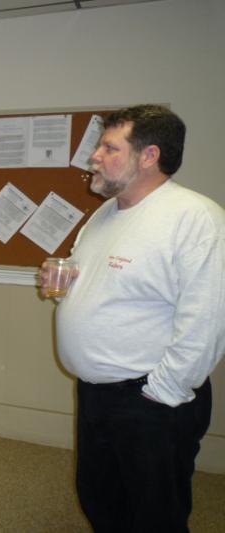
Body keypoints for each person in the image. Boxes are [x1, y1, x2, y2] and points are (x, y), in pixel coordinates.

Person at [40, 104, 225, 532]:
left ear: (149, 156)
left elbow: (207, 322)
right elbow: (105, 283)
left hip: (150, 400)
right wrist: (65, 280)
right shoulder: (105, 214)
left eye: (109, 148)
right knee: (99, 499)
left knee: (154, 515)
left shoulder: (196, 218)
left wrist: (160, 393)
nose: (94, 157)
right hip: (97, 394)